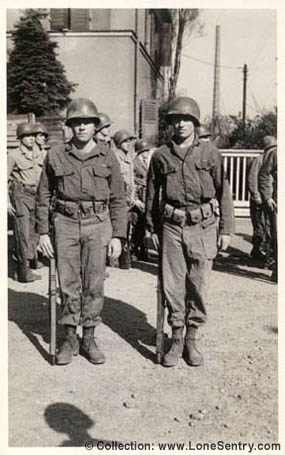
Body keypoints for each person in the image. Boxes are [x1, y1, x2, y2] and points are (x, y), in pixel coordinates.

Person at [37, 98, 128, 365]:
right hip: (64, 223)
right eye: (76, 123)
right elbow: (43, 194)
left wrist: (118, 235)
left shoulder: (107, 154)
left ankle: (88, 336)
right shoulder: (55, 155)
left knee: (94, 283)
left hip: (97, 223)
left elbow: (119, 198)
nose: (82, 128)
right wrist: (43, 232)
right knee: (67, 283)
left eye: (87, 123)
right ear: (70, 126)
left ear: (95, 125)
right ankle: (69, 337)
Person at [146, 96, 234, 368]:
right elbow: (152, 193)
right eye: (176, 119)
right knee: (173, 285)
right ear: (171, 124)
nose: (181, 124)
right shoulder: (161, 155)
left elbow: (224, 192)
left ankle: (192, 338)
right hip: (172, 226)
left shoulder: (210, 154)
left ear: (195, 122)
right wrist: (151, 226)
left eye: (186, 119)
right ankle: (176, 338)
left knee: (197, 284)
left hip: (203, 225)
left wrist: (226, 229)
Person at [8, 122, 45, 282]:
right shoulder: (13, 155)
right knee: (22, 233)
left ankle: (26, 265)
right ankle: (24, 272)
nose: (30, 139)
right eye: (26, 136)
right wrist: (6, 202)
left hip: (35, 195)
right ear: (20, 138)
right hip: (20, 195)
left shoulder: (38, 154)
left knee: (34, 231)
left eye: (32, 136)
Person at [113, 129, 136, 268]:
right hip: (119, 198)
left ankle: (124, 258)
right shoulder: (115, 157)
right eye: (125, 141)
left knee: (128, 229)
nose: (128, 144)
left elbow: (131, 180)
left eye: (129, 141)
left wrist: (133, 196)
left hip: (128, 199)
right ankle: (114, 259)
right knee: (118, 227)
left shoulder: (129, 158)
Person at [259, 136, 277, 282]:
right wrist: (267, 197)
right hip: (278, 200)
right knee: (277, 237)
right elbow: (264, 175)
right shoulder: (275, 153)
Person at [132, 139, 151, 260]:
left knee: (144, 224)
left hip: (146, 194)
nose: (146, 153)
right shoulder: (134, 163)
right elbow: (131, 182)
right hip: (138, 194)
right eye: (144, 151)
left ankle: (143, 250)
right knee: (136, 224)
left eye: (147, 151)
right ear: (139, 152)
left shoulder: (147, 163)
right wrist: (135, 199)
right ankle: (134, 250)